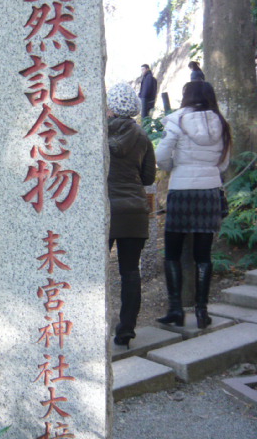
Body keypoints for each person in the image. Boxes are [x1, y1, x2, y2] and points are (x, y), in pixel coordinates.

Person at [155, 81, 232, 329]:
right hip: (209, 192)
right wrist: (208, 171)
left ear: (186, 96)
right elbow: (223, 164)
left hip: (181, 192)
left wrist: (175, 169)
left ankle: (176, 309)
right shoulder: (221, 122)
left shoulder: (176, 120)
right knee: (203, 255)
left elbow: (161, 158)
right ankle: (201, 311)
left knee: (172, 253)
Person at [106, 82, 156, 347]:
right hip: (135, 211)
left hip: (106, 212)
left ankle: (93, 325)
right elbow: (148, 177)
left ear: (111, 106)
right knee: (130, 272)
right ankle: (126, 331)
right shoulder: (143, 137)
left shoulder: (97, 133)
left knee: (95, 271)